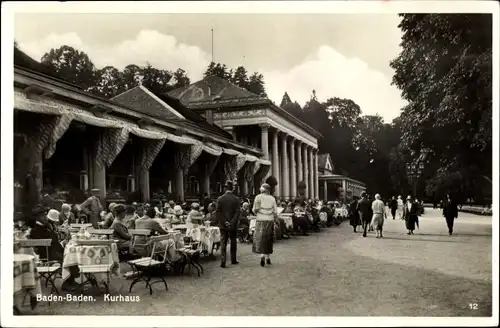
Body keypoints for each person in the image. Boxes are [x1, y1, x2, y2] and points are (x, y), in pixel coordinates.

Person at [215, 180, 241, 268]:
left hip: (223, 225)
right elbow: (237, 212)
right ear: (232, 188)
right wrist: (232, 222)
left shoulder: (220, 199)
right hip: (233, 225)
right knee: (233, 242)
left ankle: (223, 260)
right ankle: (233, 259)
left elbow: (218, 212)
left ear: (225, 188)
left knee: (223, 242)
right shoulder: (236, 199)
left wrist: (224, 221)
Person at [252, 183, 277, 267]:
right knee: (268, 239)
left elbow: (254, 210)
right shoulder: (272, 198)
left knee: (260, 239)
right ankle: (268, 257)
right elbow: (276, 212)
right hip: (269, 220)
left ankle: (262, 255)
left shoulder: (258, 197)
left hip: (260, 220)